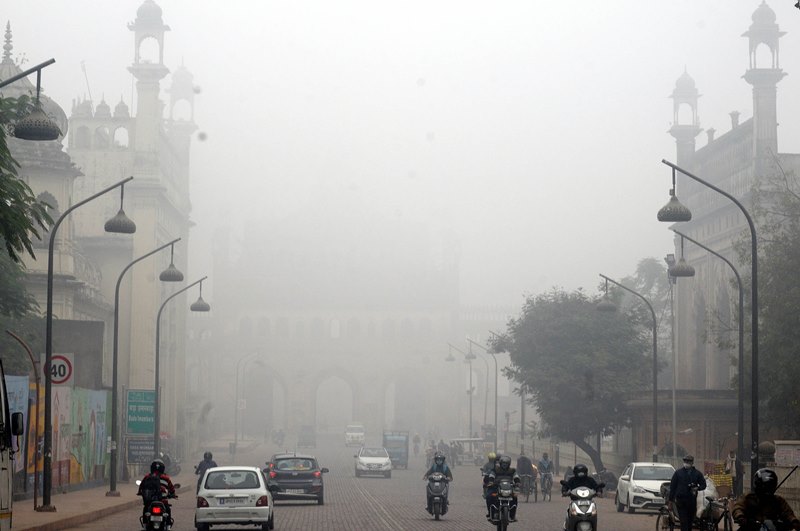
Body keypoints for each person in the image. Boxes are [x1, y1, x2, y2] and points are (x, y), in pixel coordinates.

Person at [732, 468, 800, 531]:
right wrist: (740, 516)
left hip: (773, 528)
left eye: (770, 487)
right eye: (765, 487)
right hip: (751, 528)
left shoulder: (778, 500)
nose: (767, 491)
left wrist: (794, 521)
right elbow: (738, 507)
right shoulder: (748, 498)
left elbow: (788, 513)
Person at [667, 455, 706, 531]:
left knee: (689, 524)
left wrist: (697, 488)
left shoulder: (697, 474)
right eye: (685, 461)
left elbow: (703, 485)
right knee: (684, 523)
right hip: (681, 502)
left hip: (692, 502)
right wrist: (670, 501)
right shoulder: (678, 473)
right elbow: (673, 487)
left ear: (692, 463)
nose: (686, 463)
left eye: (688, 462)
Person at [484, 455, 521, 522]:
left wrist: (517, 483)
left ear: (509, 464)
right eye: (503, 463)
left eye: (506, 463)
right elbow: (492, 476)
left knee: (515, 497)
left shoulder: (512, 470)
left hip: (508, 488)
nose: (505, 465)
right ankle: (490, 513)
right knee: (489, 496)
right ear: (500, 463)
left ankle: (512, 515)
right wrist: (491, 482)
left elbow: (516, 477)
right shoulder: (495, 470)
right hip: (496, 487)